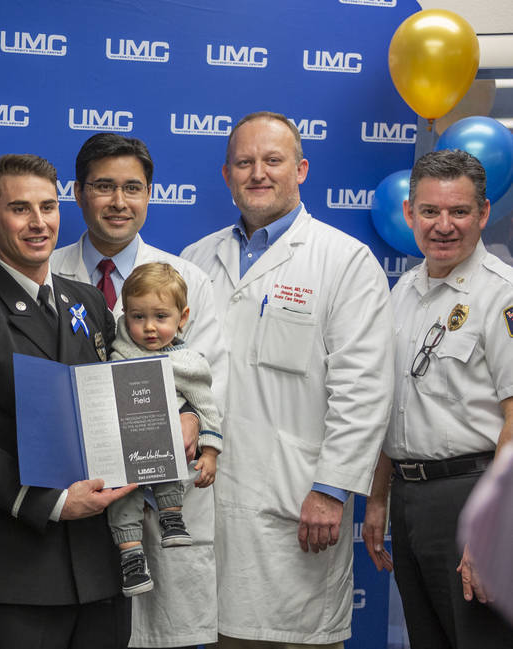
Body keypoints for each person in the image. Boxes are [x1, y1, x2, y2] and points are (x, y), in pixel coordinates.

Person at [182, 110, 394, 648]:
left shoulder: (344, 261)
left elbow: (364, 389)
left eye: (272, 160)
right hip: (203, 501)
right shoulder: (193, 260)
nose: (258, 173)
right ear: (226, 175)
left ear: (300, 170)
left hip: (296, 506)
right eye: (244, 162)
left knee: (292, 636)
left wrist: (330, 489)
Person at [0, 153, 137, 649]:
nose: (39, 223)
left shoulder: (89, 302)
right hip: (20, 578)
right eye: (20, 209)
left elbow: (120, 393)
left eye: (48, 206)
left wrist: (178, 418)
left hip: (102, 569)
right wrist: (53, 502)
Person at [51, 133, 227, 649]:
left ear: (150, 194)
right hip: (76, 496)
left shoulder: (187, 278)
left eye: (133, 187)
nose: (119, 202)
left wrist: (194, 421)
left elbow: (210, 376)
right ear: (79, 192)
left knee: (158, 634)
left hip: (165, 482)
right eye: (103, 187)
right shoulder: (46, 272)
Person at [362, 149, 513, 649]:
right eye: (430, 211)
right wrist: (380, 497)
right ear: (409, 214)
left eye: (459, 211)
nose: (443, 225)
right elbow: (394, 404)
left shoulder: (502, 295)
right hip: (410, 499)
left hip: (475, 494)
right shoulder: (403, 291)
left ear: (484, 214)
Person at [106, 262, 222, 598]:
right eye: (138, 317)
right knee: (121, 494)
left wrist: (210, 452)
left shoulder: (187, 362)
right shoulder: (118, 354)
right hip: (123, 446)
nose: (149, 328)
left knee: (168, 462)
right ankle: (131, 557)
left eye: (161, 316)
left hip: (164, 444)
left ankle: (172, 517)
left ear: (182, 317)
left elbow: (206, 405)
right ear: (124, 315)